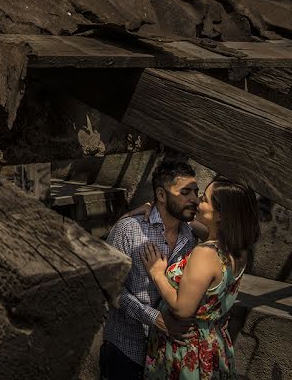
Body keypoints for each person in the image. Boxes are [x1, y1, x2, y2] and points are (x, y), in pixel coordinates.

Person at [141, 177, 260, 379]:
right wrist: (156, 207)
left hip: (186, 347)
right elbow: (196, 225)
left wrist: (157, 274)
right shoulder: (237, 249)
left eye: (204, 199)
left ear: (220, 215)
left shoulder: (205, 254)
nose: (197, 201)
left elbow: (182, 308)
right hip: (213, 343)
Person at [101, 161, 200, 380]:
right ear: (161, 195)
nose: (194, 199)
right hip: (126, 350)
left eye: (196, 192)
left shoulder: (190, 236)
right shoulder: (129, 230)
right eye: (185, 192)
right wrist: (154, 318)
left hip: (167, 355)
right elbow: (108, 286)